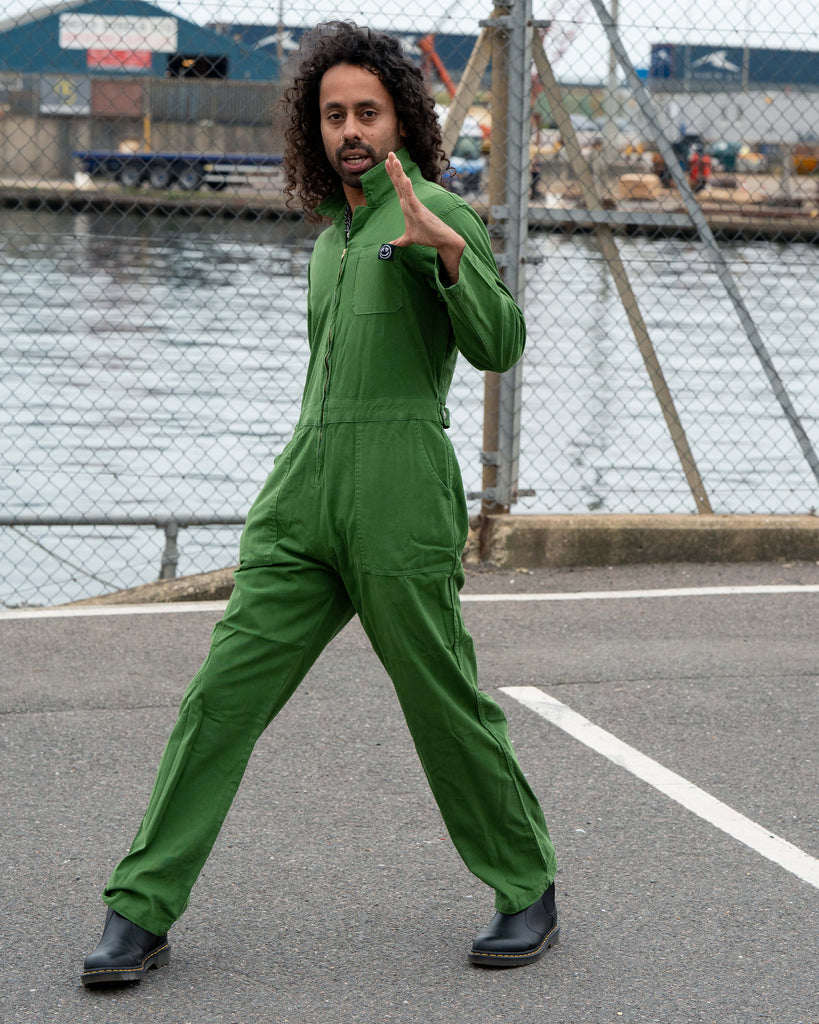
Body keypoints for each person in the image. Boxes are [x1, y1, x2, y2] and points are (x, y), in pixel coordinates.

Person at [81, 21, 558, 986]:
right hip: (302, 497)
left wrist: (449, 255)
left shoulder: (435, 215)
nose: (349, 129)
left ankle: (525, 885)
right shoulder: (330, 240)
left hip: (398, 494)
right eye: (333, 113)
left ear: (400, 122)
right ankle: (140, 908)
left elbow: (500, 344)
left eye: (366, 113)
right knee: (220, 697)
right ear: (316, 126)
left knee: (441, 701)